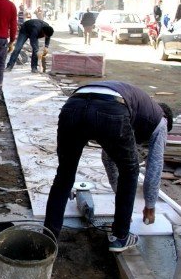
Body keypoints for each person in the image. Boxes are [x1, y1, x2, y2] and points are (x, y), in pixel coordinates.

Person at [44, 81, 173, 252]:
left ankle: (48, 237)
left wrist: (122, 200)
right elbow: (154, 167)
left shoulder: (137, 106)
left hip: (73, 105)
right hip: (109, 107)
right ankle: (121, 237)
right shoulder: (161, 121)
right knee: (131, 170)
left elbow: (108, 157)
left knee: (64, 175)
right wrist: (150, 205)